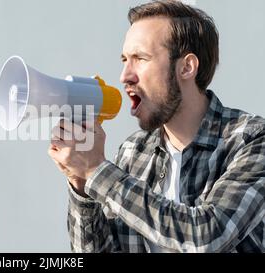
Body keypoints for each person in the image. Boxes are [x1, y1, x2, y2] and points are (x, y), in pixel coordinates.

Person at [48, 0, 265, 253]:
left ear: (186, 67)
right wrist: (81, 184)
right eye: (124, 59)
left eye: (140, 58)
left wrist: (97, 170)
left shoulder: (251, 140)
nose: (124, 76)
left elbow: (208, 237)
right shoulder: (132, 151)